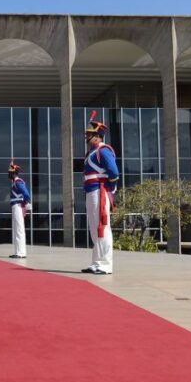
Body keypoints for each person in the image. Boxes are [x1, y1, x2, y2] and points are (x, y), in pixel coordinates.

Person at [82, 110, 119, 275]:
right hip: (92, 192)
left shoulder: (102, 150)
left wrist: (110, 187)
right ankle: (97, 262)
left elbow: (114, 172)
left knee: (102, 227)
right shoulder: (92, 151)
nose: (86, 136)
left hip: (99, 192)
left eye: (89, 134)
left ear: (97, 136)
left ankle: (105, 264)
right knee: (94, 228)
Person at [8, 159, 31, 259]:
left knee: (19, 229)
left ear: (14, 173)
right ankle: (17, 251)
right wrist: (11, 164)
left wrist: (25, 203)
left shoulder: (18, 182)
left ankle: (21, 253)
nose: (9, 174)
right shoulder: (15, 182)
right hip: (15, 206)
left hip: (18, 206)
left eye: (10, 173)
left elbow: (26, 194)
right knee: (16, 229)